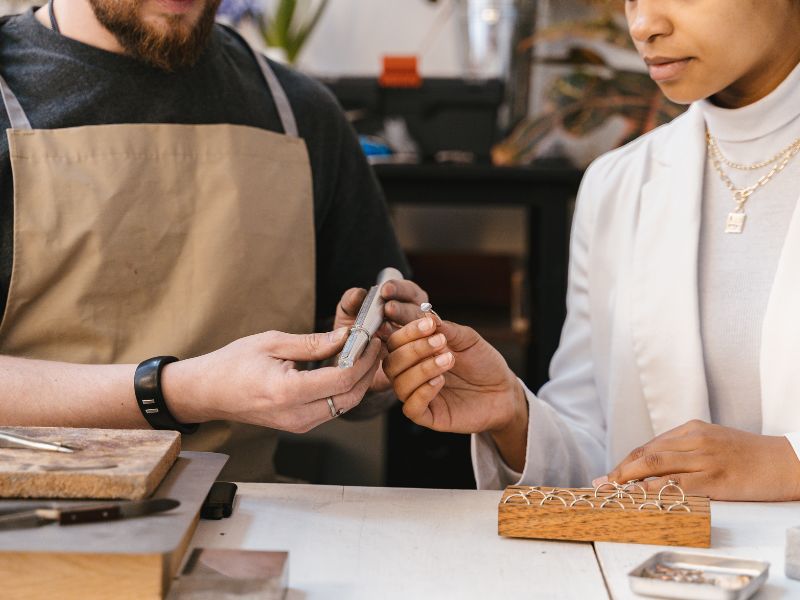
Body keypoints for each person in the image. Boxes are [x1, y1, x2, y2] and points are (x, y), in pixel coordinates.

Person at [384, 0, 800, 501]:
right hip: (650, 576)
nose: (644, 25)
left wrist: (787, 464)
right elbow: (601, 459)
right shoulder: (615, 185)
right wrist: (513, 416)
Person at [0, 0, 428, 481]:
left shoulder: (297, 111)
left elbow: (369, 381)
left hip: (250, 513)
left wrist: (365, 372)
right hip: (32, 521)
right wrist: (181, 390)